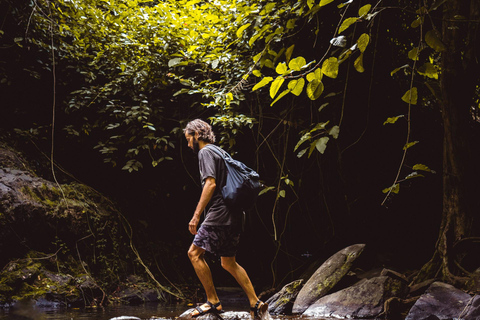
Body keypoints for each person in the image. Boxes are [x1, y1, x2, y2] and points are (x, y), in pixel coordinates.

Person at [183, 119, 268, 319]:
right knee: (228, 262)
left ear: (197, 135)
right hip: (236, 215)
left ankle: (213, 302)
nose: (188, 145)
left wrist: (196, 215)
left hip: (220, 213)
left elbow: (210, 184)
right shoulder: (220, 151)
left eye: (188, 139)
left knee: (194, 254)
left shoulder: (205, 152)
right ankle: (255, 303)